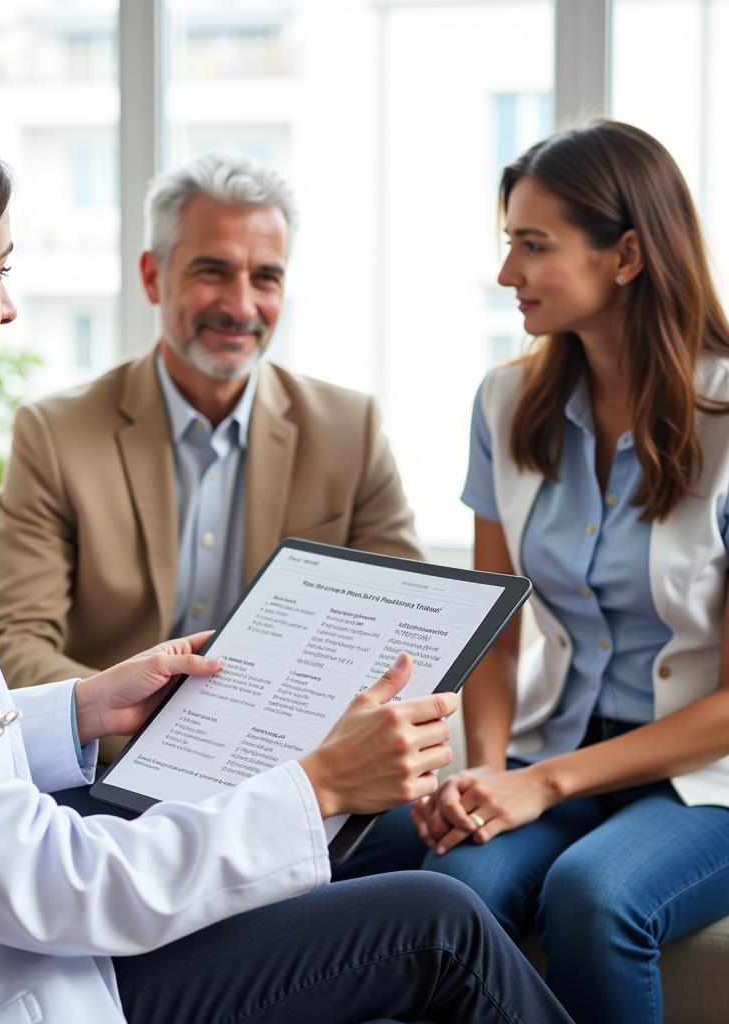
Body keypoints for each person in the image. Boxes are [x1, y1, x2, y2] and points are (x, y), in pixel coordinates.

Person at [0, 100, 572, 1024]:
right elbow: (34, 872)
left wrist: (84, 707)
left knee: (425, 893)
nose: (7, 306)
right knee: (437, 928)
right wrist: (314, 785)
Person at [383, 120, 729, 1024]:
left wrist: (541, 785)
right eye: (510, 244)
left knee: (594, 895)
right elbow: (495, 630)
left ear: (624, 255)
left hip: (709, 774)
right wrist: (487, 772)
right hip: (557, 744)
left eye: (533, 247)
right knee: (454, 882)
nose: (508, 275)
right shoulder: (505, 405)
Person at [0, 153, 422, 764]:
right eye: (213, 271)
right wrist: (164, 727)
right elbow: (14, 644)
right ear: (153, 276)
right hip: (115, 764)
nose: (241, 306)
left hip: (296, 769)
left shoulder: (350, 430)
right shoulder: (57, 433)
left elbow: (408, 630)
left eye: (265, 277)